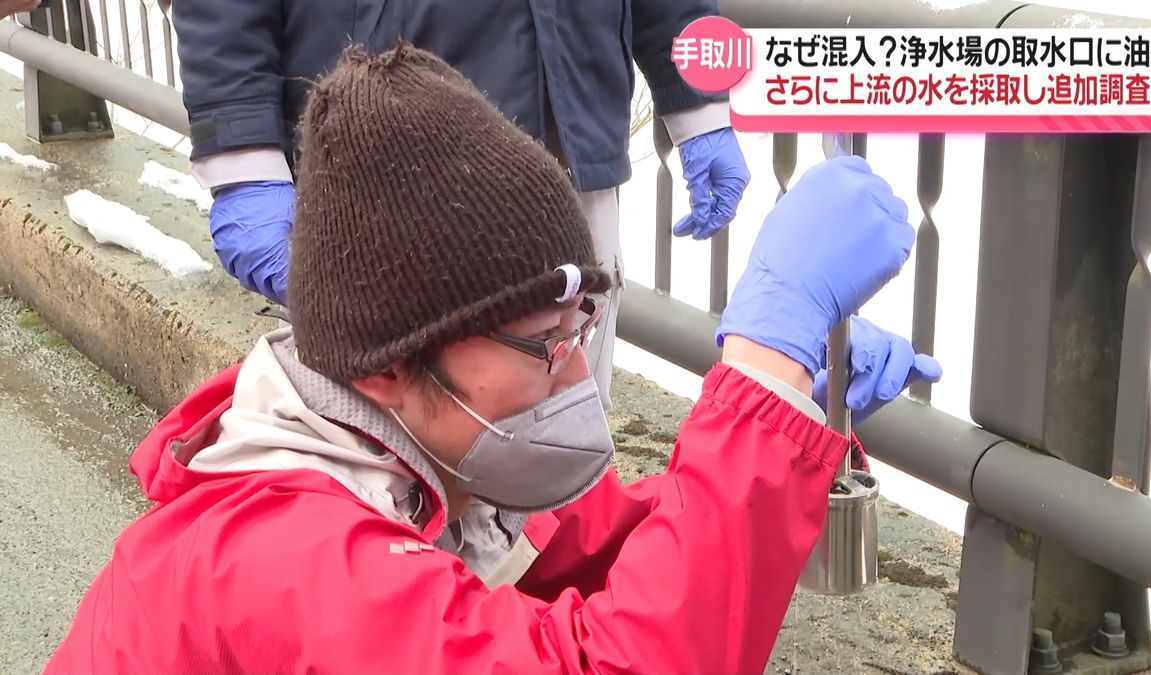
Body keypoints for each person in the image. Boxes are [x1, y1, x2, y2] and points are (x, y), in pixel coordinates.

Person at [45, 44, 938, 675]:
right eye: (545, 346)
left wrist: (787, 419)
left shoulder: (427, 460)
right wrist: (758, 367)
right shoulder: (287, 558)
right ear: (389, 367)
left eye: (580, 323)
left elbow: (614, 545)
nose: (579, 371)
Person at [169, 0, 752, 413]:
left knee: (565, 421)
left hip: (571, 150)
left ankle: (552, 580)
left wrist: (698, 106)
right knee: (395, 441)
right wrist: (243, 157)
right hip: (391, 162)